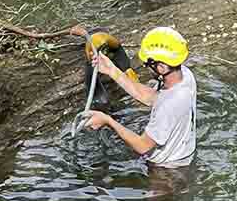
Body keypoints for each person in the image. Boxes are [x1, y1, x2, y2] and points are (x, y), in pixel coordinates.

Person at [84, 26, 196, 168]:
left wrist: (108, 120)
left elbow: (143, 146)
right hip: (184, 154)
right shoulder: (185, 76)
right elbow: (150, 97)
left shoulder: (169, 105)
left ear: (161, 67)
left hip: (167, 170)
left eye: (147, 64)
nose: (145, 67)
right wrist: (111, 70)